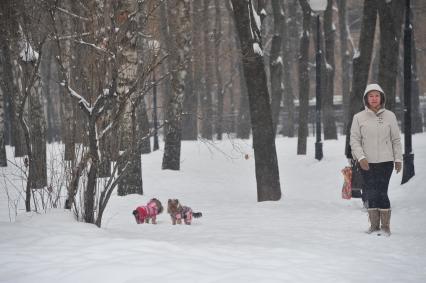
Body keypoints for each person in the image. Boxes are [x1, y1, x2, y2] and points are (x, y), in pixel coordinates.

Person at [350, 83, 402, 236]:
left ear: (381, 98)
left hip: (386, 162)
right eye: (371, 96)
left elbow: (396, 140)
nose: (374, 99)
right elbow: (354, 140)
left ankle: (385, 227)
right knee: (371, 193)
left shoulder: (390, 116)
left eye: (377, 95)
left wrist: (398, 159)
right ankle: (374, 226)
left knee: (382, 192)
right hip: (367, 163)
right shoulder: (358, 117)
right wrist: (361, 157)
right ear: (366, 98)